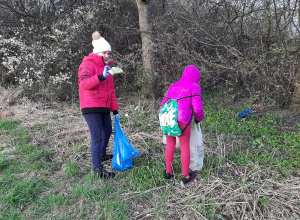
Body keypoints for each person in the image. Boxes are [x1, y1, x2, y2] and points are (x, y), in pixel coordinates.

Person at [78, 31, 120, 178]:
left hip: (104, 106)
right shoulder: (87, 64)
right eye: (105, 53)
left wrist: (115, 110)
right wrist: (101, 76)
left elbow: (111, 91)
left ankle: (101, 155)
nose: (108, 56)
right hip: (90, 106)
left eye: (109, 53)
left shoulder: (108, 67)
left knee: (107, 131)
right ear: (98, 52)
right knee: (96, 136)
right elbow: (84, 84)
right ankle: (97, 169)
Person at [160, 65, 204, 186]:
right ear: (196, 77)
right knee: (185, 147)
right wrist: (199, 119)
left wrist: (164, 118)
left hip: (168, 118)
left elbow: (163, 103)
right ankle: (186, 175)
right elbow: (197, 107)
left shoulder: (173, 86)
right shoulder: (195, 87)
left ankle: (168, 172)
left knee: (170, 144)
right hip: (183, 119)